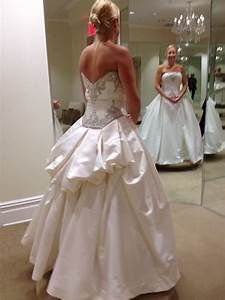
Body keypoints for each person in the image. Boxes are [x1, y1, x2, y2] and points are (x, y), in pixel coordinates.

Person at [22, 1, 180, 299]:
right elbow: (133, 100)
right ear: (115, 23)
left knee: (72, 192)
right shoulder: (118, 53)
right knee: (128, 197)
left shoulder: (84, 53)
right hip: (113, 126)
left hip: (87, 126)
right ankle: (118, 273)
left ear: (96, 24)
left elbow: (85, 94)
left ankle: (68, 260)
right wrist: (132, 120)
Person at [139, 44, 203, 165]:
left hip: (179, 100)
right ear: (166, 54)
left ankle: (183, 154)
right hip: (165, 100)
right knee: (163, 126)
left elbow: (185, 84)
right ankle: (163, 155)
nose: (172, 55)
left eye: (174, 52)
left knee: (183, 126)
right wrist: (166, 96)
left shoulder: (180, 68)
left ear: (176, 54)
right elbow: (157, 85)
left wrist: (180, 95)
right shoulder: (161, 68)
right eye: (170, 53)